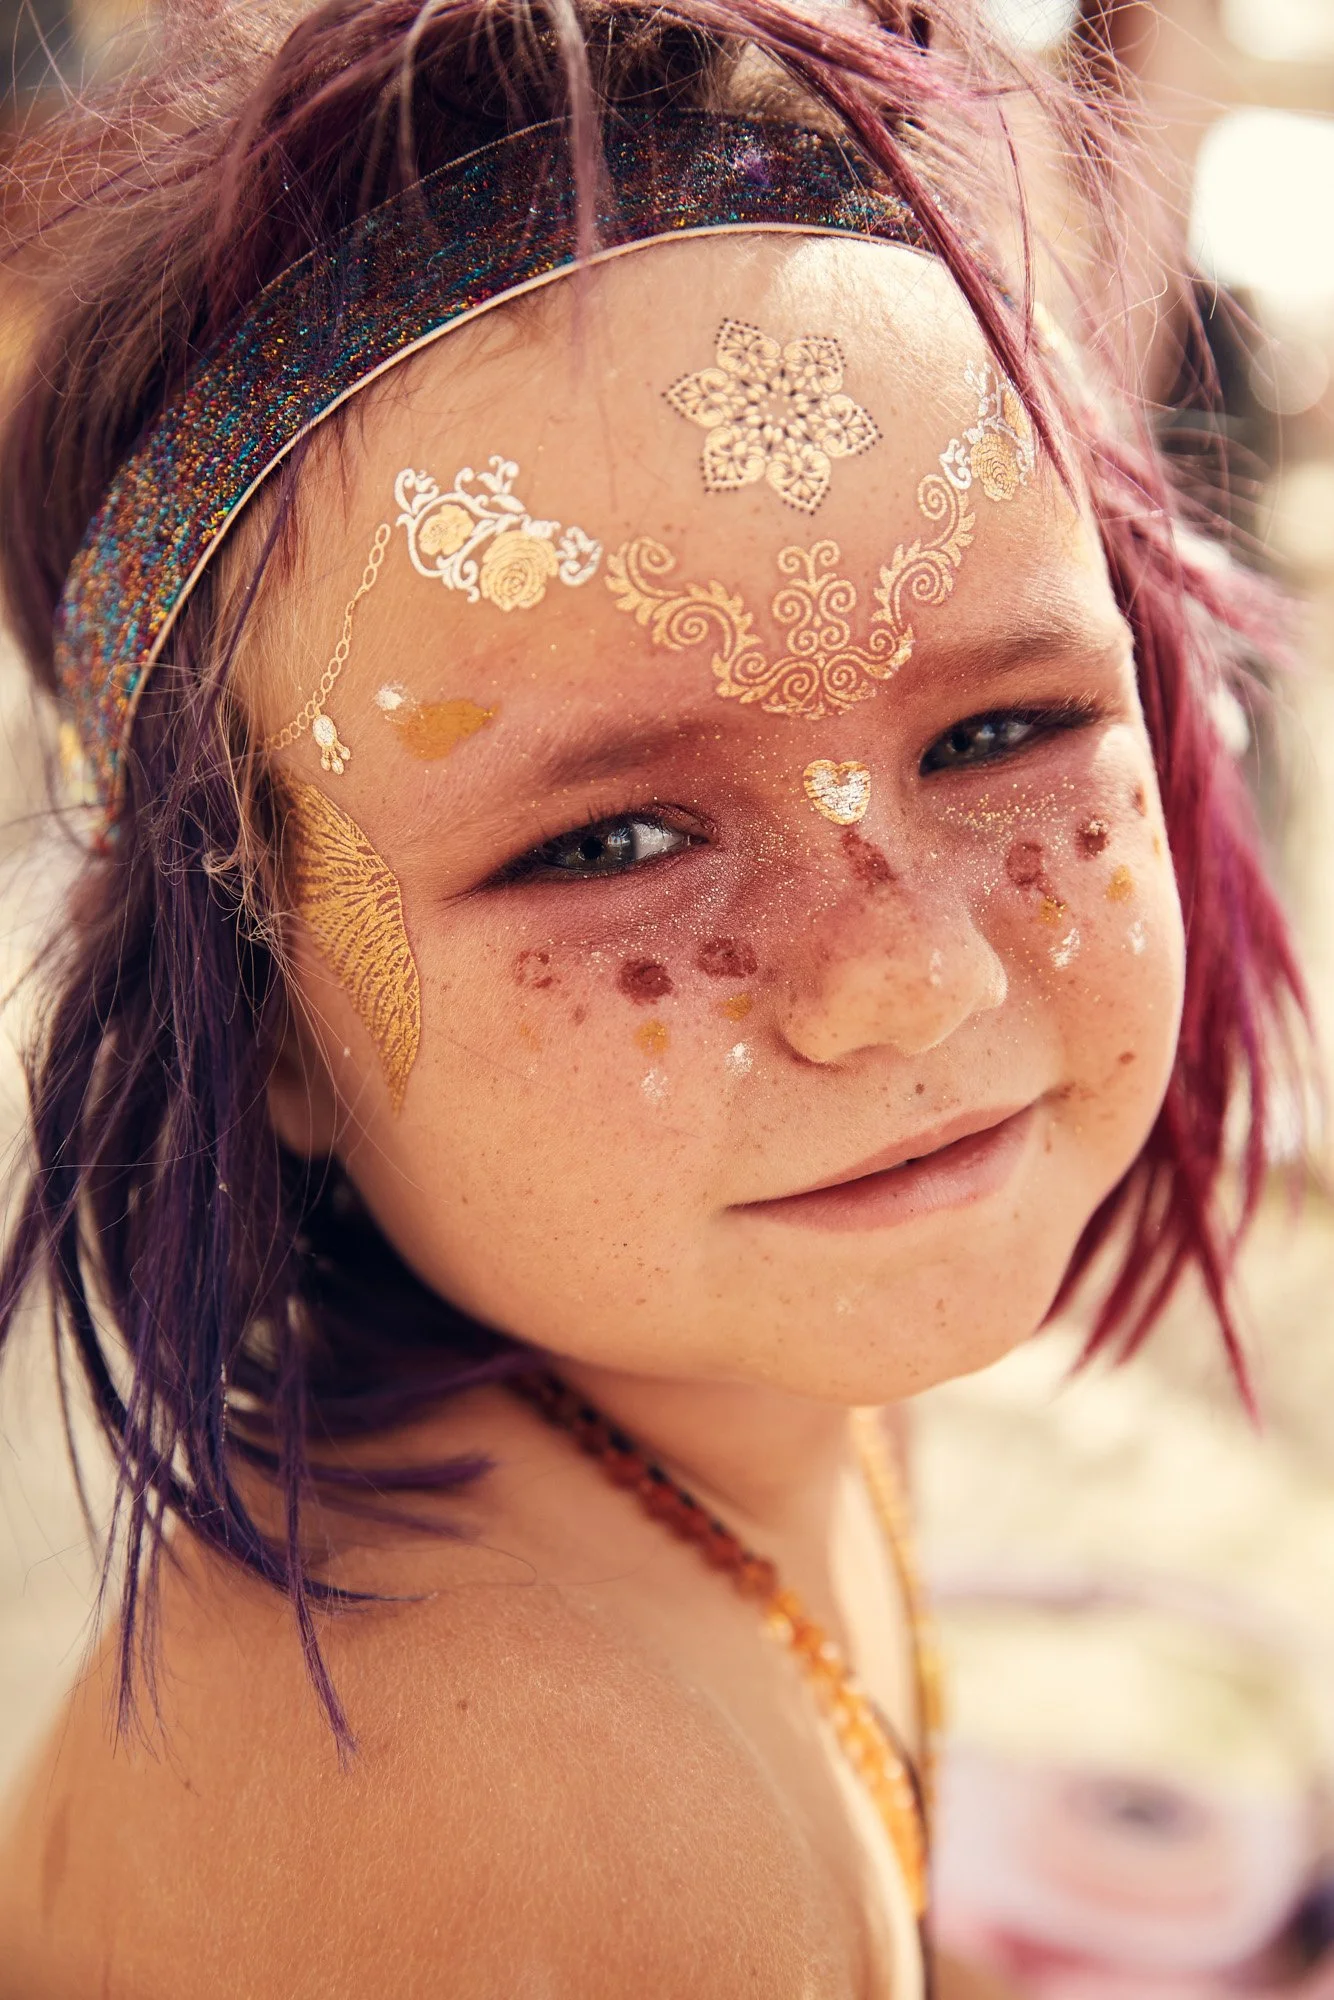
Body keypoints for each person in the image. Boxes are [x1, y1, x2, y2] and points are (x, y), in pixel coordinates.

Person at [0, 1, 1307, 1993]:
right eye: (609, 844)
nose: (902, 982)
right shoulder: (503, 1797)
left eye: (1006, 728)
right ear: (261, 1022)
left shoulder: (750, 1368)